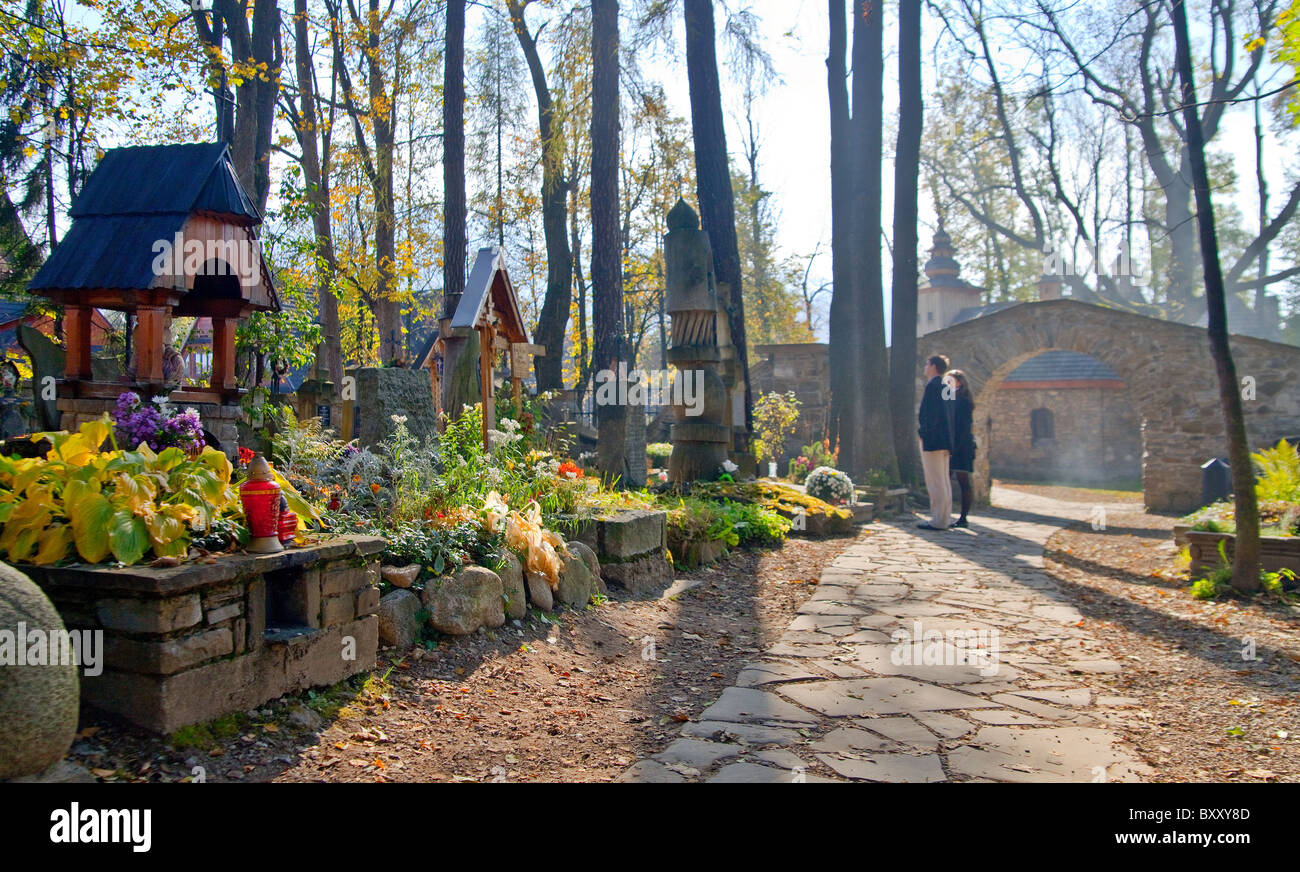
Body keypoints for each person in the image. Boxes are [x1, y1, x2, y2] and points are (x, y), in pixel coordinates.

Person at [917, 353, 953, 530]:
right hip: (944, 440)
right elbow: (951, 414)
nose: (925, 367)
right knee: (943, 479)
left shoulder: (933, 386)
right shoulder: (947, 386)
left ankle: (938, 520)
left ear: (932, 366)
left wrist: (923, 432)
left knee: (935, 480)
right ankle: (944, 517)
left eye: (926, 363)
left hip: (933, 440)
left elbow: (931, 415)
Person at [946, 369, 976, 528]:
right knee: (946, 480)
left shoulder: (963, 400)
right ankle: (945, 514)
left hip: (961, 445)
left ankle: (963, 517)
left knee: (962, 481)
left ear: (960, 382)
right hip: (953, 444)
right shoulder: (951, 396)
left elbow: (962, 426)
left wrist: (954, 447)